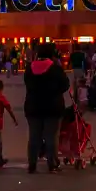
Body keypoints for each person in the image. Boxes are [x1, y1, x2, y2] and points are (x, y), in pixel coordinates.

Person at [23, 43, 70, 173]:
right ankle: (52, 163)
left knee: (34, 136)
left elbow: (27, 84)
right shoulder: (55, 69)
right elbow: (65, 85)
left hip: (33, 107)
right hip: (52, 108)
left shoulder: (29, 68)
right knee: (51, 136)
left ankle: (32, 164)